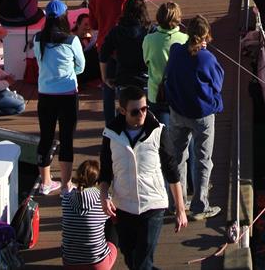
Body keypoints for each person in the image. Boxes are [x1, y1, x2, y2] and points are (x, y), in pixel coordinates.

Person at [99, 84, 187, 270]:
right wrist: (103, 196)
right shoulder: (110, 135)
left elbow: (172, 171)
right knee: (132, 260)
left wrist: (180, 209)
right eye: (135, 111)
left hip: (153, 205)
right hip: (123, 206)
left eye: (145, 109)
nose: (141, 114)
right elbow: (105, 171)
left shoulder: (158, 131)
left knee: (141, 264)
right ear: (122, 111)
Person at [165, 14, 224, 221]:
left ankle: (176, 203)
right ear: (206, 35)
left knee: (178, 157)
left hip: (177, 112)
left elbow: (168, 76)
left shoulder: (176, 51)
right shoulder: (207, 58)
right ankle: (200, 205)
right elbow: (217, 84)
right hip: (202, 115)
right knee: (202, 159)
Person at [34, 0, 85, 195]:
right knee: (66, 138)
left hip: (45, 94)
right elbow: (81, 66)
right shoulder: (72, 40)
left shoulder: (38, 39)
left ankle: (46, 182)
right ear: (65, 17)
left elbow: (40, 62)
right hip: (67, 95)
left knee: (45, 137)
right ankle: (65, 184)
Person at [89, 0, 131, 125]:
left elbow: (93, 24)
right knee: (125, 87)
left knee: (107, 87)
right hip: (123, 47)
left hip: (104, 45)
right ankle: (126, 121)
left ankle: (110, 124)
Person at [61, 157, 118, 269]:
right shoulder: (102, 199)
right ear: (97, 181)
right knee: (112, 219)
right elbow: (116, 219)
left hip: (69, 264)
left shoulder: (66, 198)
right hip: (98, 265)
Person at [142, 1, 188, 125]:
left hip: (157, 93)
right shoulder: (185, 39)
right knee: (186, 134)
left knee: (163, 136)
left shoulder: (149, 39)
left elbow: (146, 61)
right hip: (180, 93)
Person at [99, 0, 149, 102]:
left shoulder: (116, 31)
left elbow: (103, 54)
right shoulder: (149, 30)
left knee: (126, 113)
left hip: (124, 79)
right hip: (145, 79)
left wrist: (104, 77)